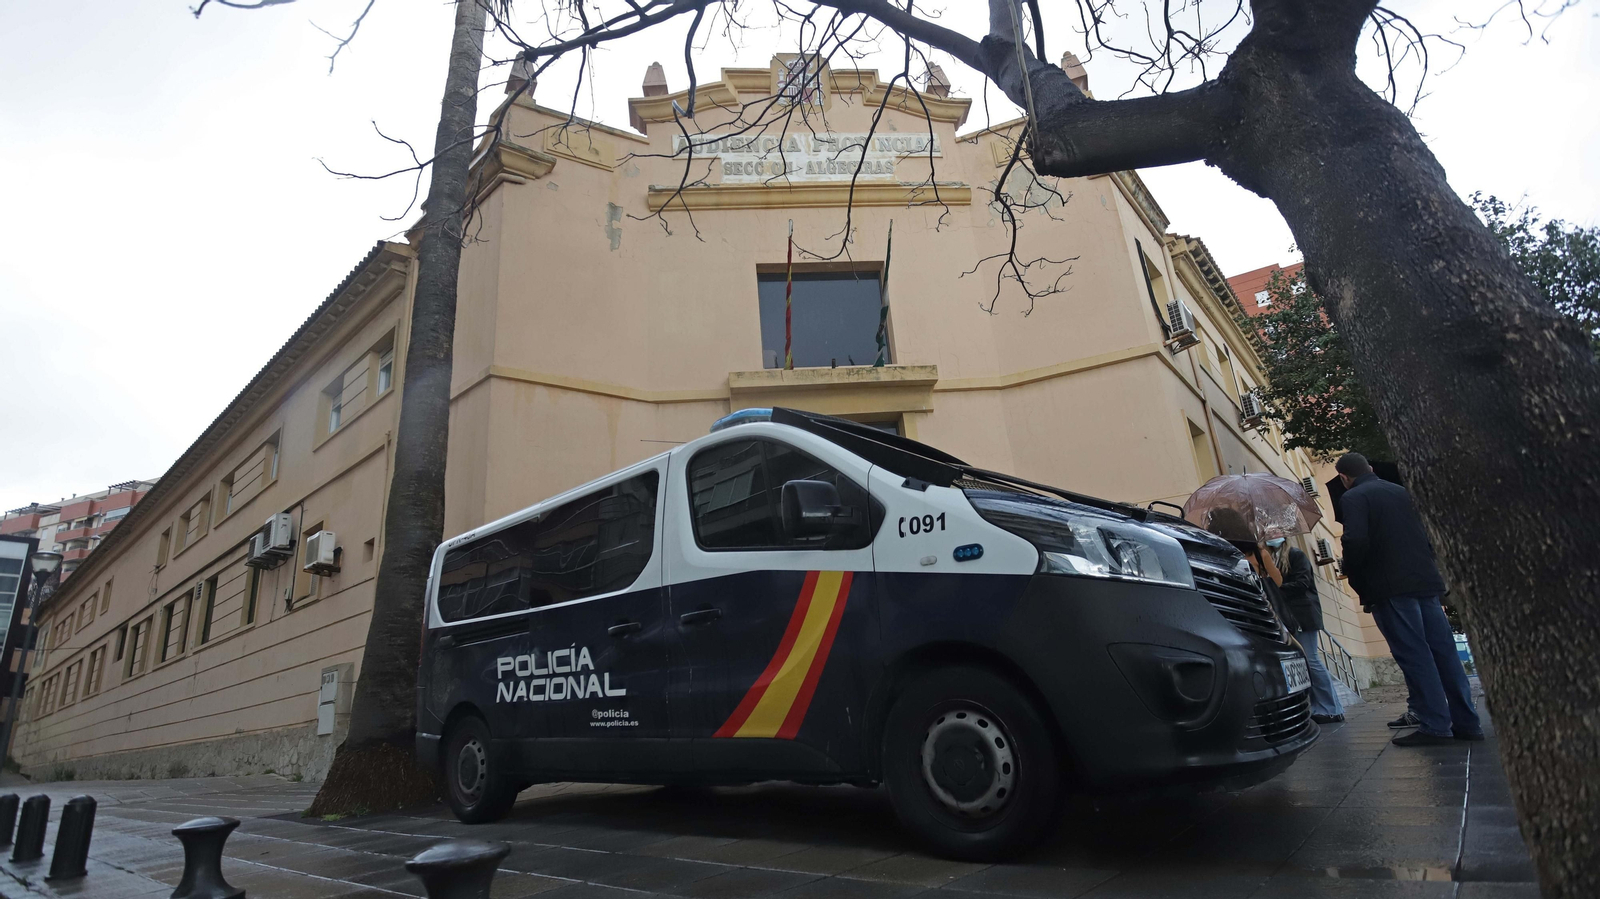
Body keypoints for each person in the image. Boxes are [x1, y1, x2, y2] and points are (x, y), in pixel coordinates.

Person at [1336, 452, 1482, 745]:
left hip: (1390, 588)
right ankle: (1467, 723)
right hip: (1426, 583)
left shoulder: (1353, 498)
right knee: (1444, 653)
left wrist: (1351, 570)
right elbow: (1428, 538)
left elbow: (1356, 540)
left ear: (1344, 478)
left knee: (1414, 654)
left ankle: (1434, 724)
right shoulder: (1403, 492)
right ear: (1371, 468)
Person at [1267, 536, 1345, 723]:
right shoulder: (1273, 559)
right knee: (1303, 663)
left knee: (1311, 660)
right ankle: (1318, 707)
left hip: (1303, 615)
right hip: (1290, 616)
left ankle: (1332, 708)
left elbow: (1303, 583)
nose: (1270, 537)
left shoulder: (1296, 555)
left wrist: (1277, 589)